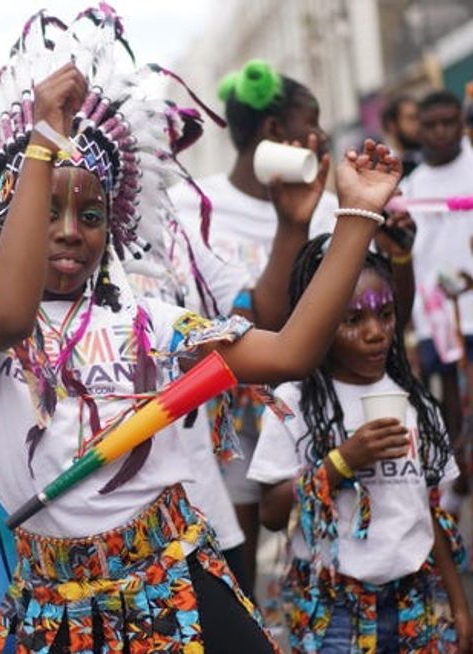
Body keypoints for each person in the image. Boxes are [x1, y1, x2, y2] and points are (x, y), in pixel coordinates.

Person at [0, 8, 404, 652]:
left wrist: (354, 216)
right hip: (55, 603)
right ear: (15, 212)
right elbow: (10, 314)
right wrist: (41, 140)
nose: (70, 230)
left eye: (91, 213)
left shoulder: (150, 322)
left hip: (169, 572)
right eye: (48, 210)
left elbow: (290, 351)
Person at [248, 236, 470, 652]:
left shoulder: (417, 402)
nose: (375, 333)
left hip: (415, 600)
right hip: (333, 609)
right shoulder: (294, 404)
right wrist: (342, 461)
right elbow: (273, 514)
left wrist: (458, 604)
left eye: (385, 314)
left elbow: (429, 511)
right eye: (352, 320)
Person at [168, 58, 340, 593]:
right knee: (233, 550)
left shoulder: (328, 207)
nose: (321, 138)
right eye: (309, 125)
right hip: (223, 415)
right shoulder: (192, 206)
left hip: (305, 400)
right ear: (272, 131)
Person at [402, 90, 473, 464]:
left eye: (449, 122)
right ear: (420, 130)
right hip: (438, 318)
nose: (441, 132)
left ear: (461, 124)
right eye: (431, 125)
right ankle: (460, 477)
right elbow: (408, 257)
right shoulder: (412, 186)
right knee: (451, 399)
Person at [381, 95, 422, 177]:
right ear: (392, 125)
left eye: (419, 117)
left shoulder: (430, 156)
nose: (418, 124)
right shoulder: (384, 167)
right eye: (411, 118)